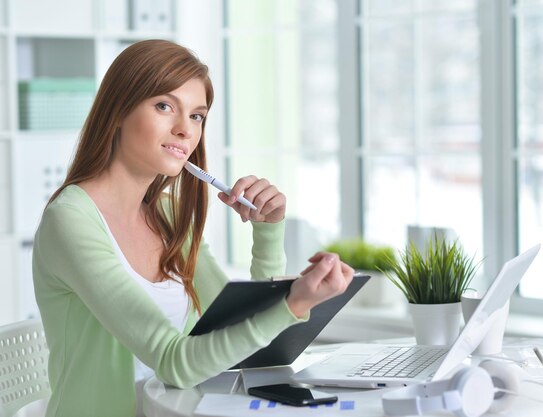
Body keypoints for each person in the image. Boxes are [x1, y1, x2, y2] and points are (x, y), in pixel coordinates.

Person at [32, 39, 354, 417]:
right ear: (117, 110)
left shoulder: (168, 215)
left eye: (197, 116)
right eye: (165, 106)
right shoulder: (70, 220)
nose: (185, 130)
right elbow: (175, 362)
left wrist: (267, 233)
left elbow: (245, 336)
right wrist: (294, 303)